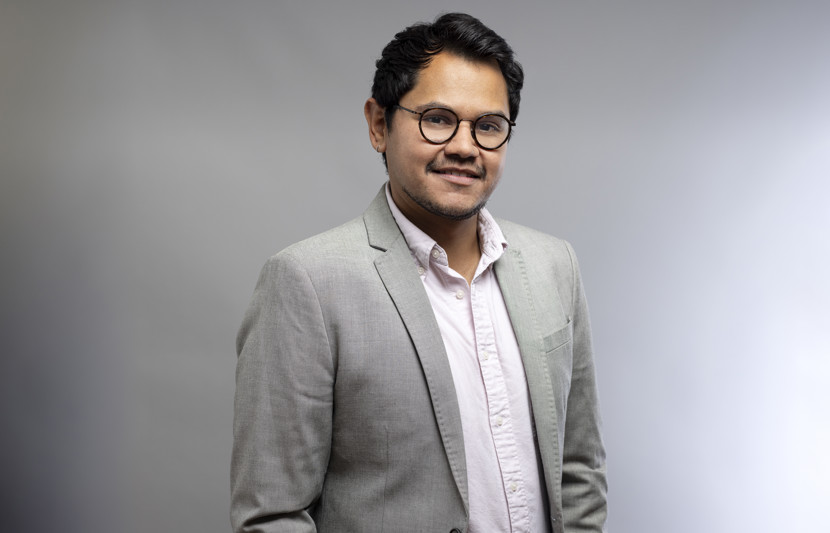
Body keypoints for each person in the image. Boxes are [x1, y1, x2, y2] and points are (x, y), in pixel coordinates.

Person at [232, 12, 607, 533]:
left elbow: (579, 470)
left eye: (488, 126)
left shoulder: (554, 265)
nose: (464, 146)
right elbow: (272, 514)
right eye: (437, 118)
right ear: (378, 125)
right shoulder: (307, 283)